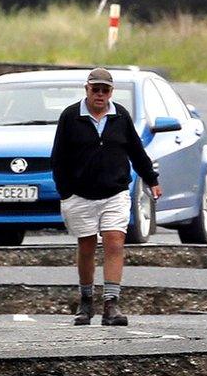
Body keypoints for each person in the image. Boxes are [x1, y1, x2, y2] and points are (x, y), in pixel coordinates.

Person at [50, 66, 160, 326]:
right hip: (79, 195)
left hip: (115, 192)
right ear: (86, 89)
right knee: (87, 246)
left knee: (114, 241)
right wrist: (65, 191)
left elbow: (136, 150)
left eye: (105, 90)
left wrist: (152, 180)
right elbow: (58, 158)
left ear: (111, 92)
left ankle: (111, 304)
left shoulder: (120, 116)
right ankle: (86, 302)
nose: (100, 94)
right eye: (95, 89)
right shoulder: (70, 117)